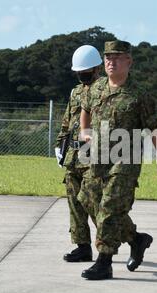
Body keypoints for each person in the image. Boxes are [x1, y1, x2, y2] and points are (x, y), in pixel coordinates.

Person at [79, 40, 157, 280]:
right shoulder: (97, 88)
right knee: (89, 200)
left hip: (125, 161)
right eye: (108, 58)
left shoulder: (139, 95)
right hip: (98, 158)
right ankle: (136, 239)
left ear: (129, 62)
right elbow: (85, 109)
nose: (111, 62)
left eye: (118, 57)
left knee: (109, 208)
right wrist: (84, 131)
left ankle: (104, 261)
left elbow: (154, 129)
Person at [54, 45, 102, 263]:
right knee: (74, 202)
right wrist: (59, 145)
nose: (83, 75)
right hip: (74, 154)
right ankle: (82, 246)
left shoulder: (104, 91)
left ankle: (122, 239)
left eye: (86, 71)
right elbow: (67, 122)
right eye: (80, 72)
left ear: (96, 69)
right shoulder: (75, 92)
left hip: (93, 154)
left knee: (93, 202)